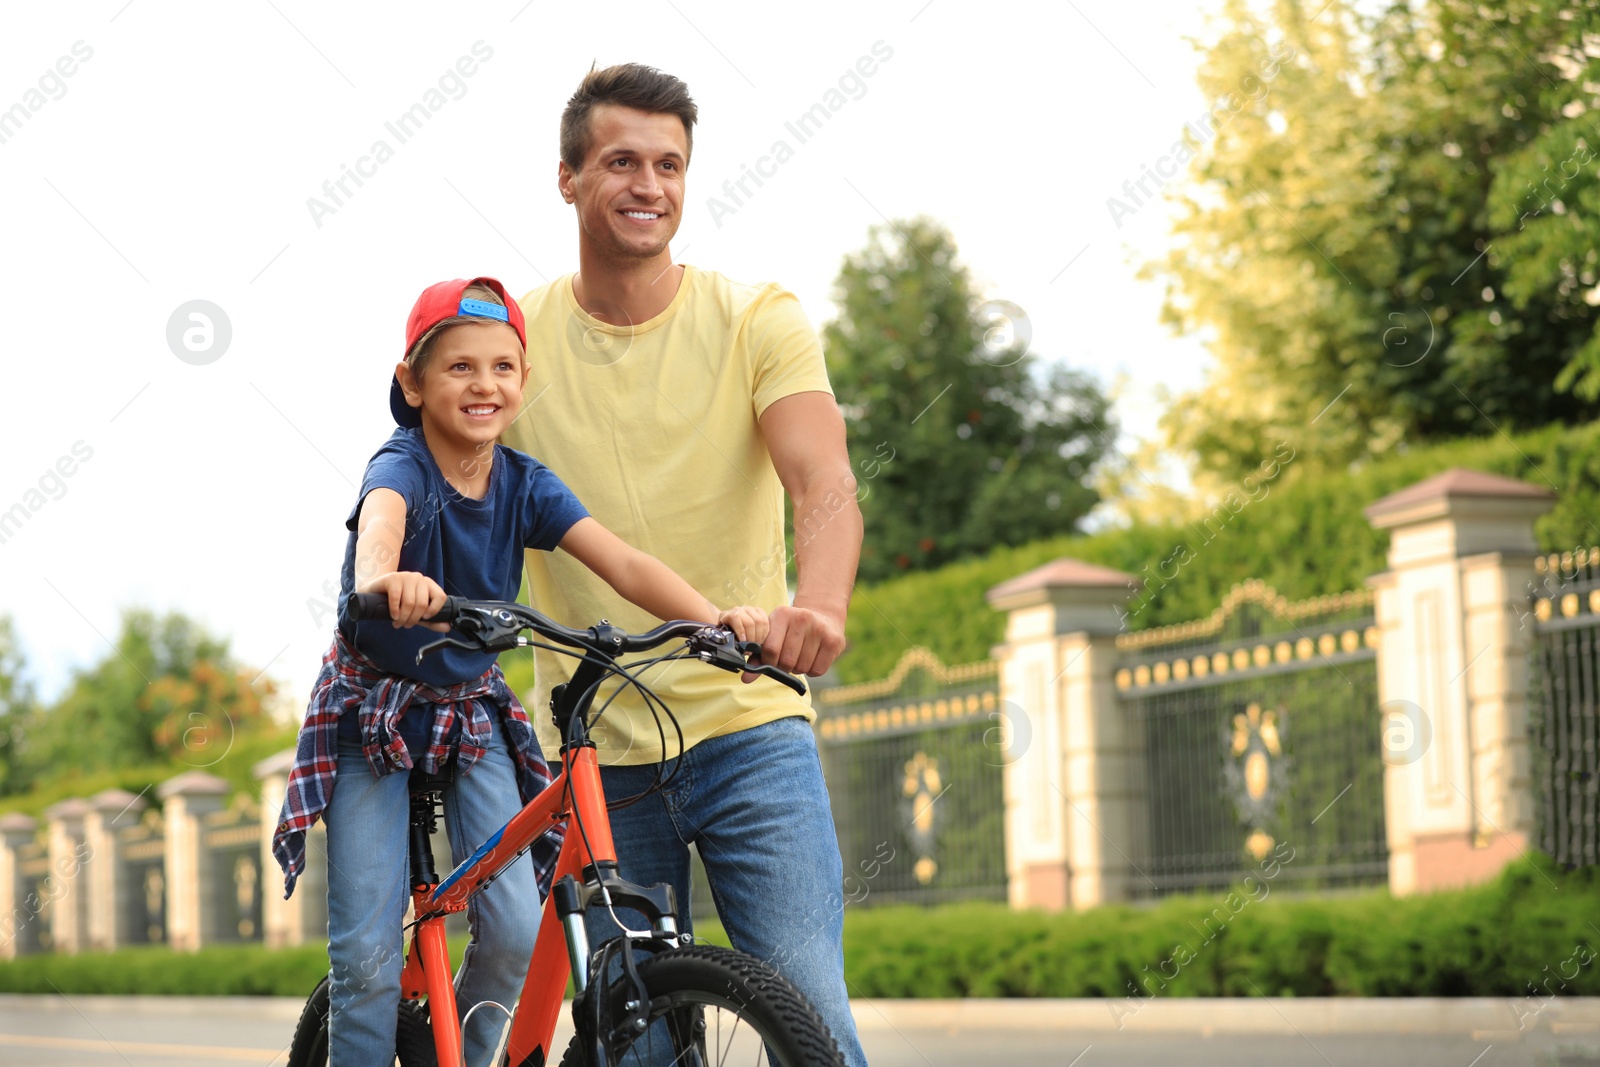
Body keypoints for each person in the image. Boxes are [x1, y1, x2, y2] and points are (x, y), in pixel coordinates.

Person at [270, 276, 768, 1066]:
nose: (484, 384)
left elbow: (625, 561)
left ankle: (458, 1055)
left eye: (503, 367)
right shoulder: (401, 467)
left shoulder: (524, 483)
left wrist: (716, 621)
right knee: (366, 953)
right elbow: (380, 524)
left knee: (509, 927)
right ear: (412, 381)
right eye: (460, 367)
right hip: (376, 714)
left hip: (469, 709)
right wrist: (384, 581)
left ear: (522, 382)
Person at [501, 65, 869, 1066]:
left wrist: (819, 604)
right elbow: (447, 479)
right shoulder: (513, 346)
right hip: (595, 754)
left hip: (748, 721)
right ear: (568, 178)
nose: (649, 185)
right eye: (621, 161)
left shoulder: (757, 318)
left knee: (807, 1009)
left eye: (670, 165)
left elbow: (822, 479)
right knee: (635, 1040)